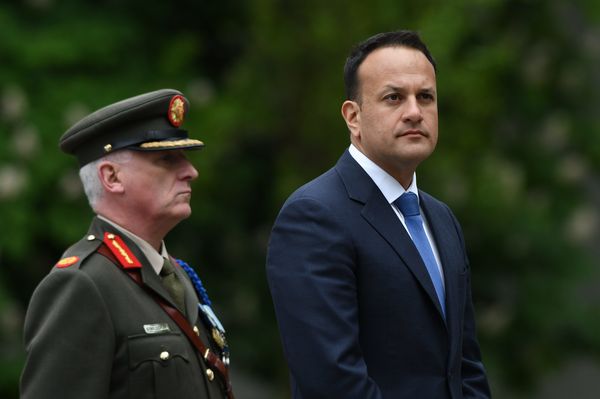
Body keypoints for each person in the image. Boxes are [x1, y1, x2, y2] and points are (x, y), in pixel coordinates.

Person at [266, 30, 491, 398]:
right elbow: (333, 382)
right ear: (353, 117)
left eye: (426, 97)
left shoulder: (441, 218)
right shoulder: (314, 217)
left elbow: (466, 367)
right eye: (394, 98)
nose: (415, 112)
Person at [21, 89, 234, 399]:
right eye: (166, 159)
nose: (191, 171)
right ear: (112, 178)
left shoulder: (175, 276)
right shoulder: (81, 284)